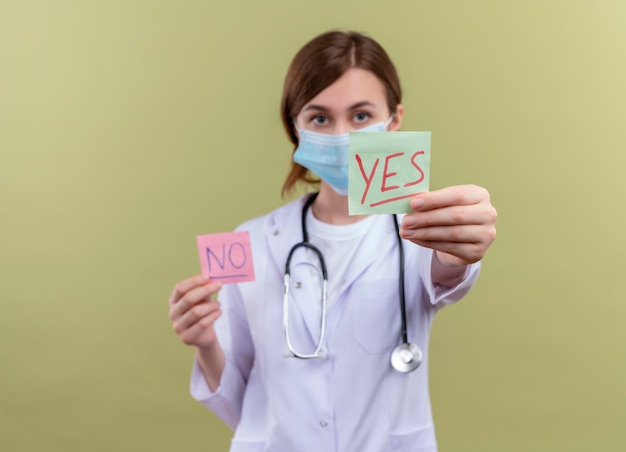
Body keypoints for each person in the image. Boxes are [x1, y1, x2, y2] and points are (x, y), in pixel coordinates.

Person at [168, 30, 497, 452]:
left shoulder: (419, 234)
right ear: (296, 127)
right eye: (320, 118)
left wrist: (463, 248)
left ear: (394, 121)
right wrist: (205, 342)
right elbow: (236, 402)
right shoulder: (248, 241)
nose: (342, 136)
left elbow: (449, 272)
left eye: (361, 116)